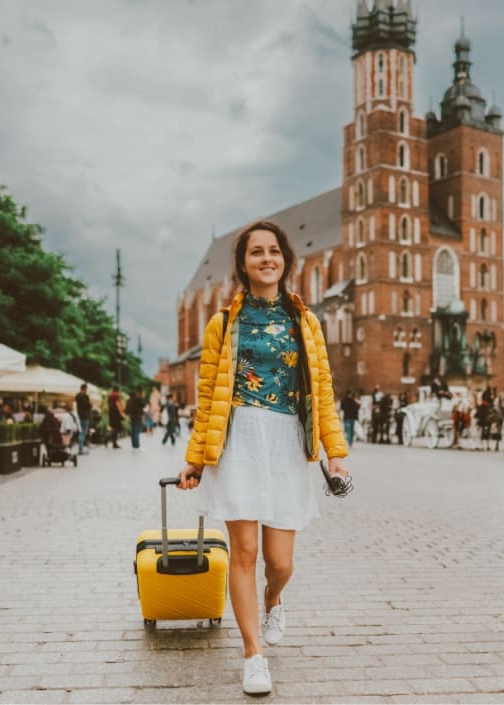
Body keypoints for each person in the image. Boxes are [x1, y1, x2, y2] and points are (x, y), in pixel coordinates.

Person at [175, 218, 349, 696]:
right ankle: (254, 655)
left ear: (286, 260)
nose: (266, 258)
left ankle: (275, 599)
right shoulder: (223, 323)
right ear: (243, 263)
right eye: (256, 252)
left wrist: (336, 454)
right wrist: (195, 458)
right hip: (237, 442)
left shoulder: (305, 322)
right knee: (244, 551)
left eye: (274, 251)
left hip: (287, 440)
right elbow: (207, 392)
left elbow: (323, 391)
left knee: (280, 561)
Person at [75, 384, 92, 455]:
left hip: (79, 416)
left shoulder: (77, 396)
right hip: (85, 416)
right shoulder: (85, 397)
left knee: (81, 432)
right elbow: (88, 406)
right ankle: (80, 449)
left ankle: (80, 448)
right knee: (83, 433)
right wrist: (90, 405)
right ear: (84, 389)